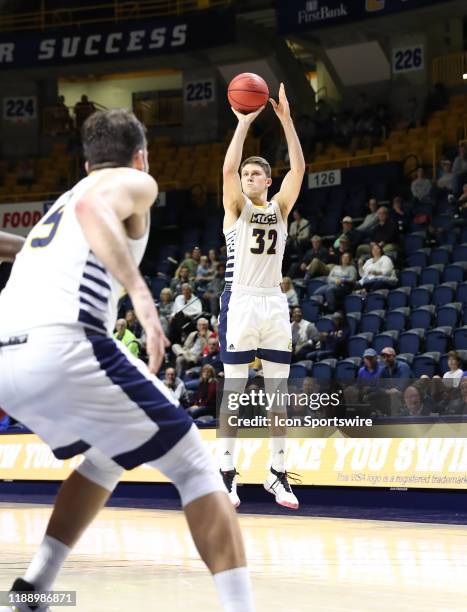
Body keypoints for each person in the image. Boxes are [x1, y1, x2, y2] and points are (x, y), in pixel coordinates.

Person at [0, 109, 253, 612]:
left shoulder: (61, 205)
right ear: (140, 155)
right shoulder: (129, 182)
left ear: (86, 159)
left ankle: (31, 591)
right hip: (64, 343)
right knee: (196, 466)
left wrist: (21, 250)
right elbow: (97, 208)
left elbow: (54, 233)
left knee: (108, 456)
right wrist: (139, 294)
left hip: (8, 358)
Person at [219, 82, 305, 510]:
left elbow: (299, 171)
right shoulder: (236, 208)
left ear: (268, 180)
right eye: (246, 174)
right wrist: (244, 123)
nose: (249, 177)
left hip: (273, 302)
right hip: (241, 300)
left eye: (256, 174)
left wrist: (287, 122)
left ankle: (276, 473)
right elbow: (227, 171)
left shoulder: (280, 209)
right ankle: (227, 473)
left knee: (278, 396)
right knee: (234, 392)